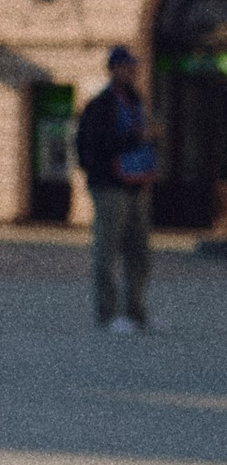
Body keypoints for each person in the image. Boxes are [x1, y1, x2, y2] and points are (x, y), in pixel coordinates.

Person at [74, 44, 160, 332]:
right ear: (113, 70)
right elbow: (95, 144)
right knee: (107, 252)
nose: (132, 71)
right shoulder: (101, 105)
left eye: (134, 66)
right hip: (110, 186)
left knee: (139, 253)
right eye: (126, 66)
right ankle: (108, 315)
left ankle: (135, 313)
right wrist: (137, 137)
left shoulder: (137, 102)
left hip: (136, 186)